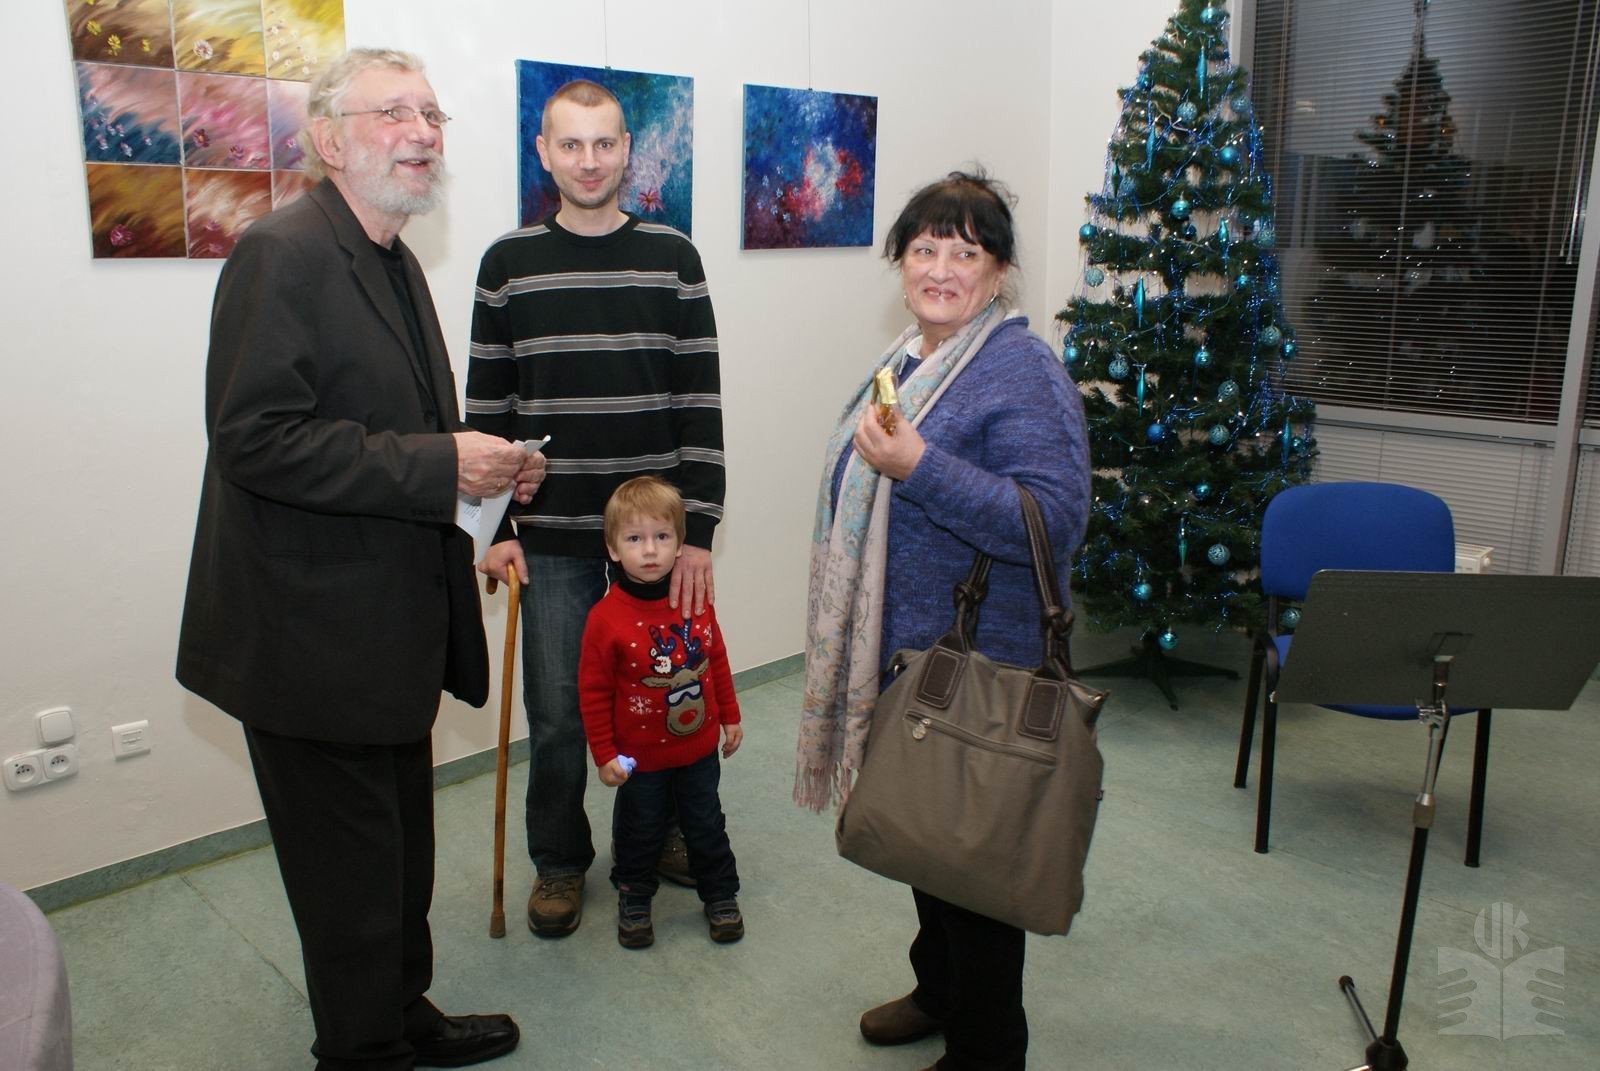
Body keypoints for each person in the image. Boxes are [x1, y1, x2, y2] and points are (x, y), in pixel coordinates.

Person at [176, 48, 537, 1071]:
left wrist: (484, 504)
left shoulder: (393, 256)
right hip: (308, 641)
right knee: (349, 884)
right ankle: (363, 1049)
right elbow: (254, 439)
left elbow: (402, 432)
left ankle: (401, 1012)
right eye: (394, 114)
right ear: (329, 140)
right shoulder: (281, 254)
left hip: (383, 629)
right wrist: (443, 464)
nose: (422, 132)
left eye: (431, 114)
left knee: (398, 857)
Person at [794, 171, 1091, 1071]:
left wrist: (920, 465)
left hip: (982, 661)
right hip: (908, 652)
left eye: (966, 252)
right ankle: (938, 988)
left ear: (999, 271)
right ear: (901, 262)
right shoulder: (913, 358)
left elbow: (1054, 518)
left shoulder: (1020, 369)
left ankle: (988, 1047)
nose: (941, 268)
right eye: (925, 248)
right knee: (927, 835)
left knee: (974, 865)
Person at [465, 79, 725, 937]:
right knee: (556, 716)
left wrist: (699, 532)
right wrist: (496, 527)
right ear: (543, 152)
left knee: (670, 690)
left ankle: (669, 831)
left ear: (627, 151)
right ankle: (560, 860)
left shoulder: (674, 257)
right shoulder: (506, 264)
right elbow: (486, 412)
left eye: (604, 143)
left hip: (656, 539)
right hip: (552, 535)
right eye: (570, 144)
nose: (588, 161)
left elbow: (700, 402)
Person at [577, 477, 745, 949]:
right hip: (639, 760)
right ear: (613, 549)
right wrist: (604, 754)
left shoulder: (694, 602)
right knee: (640, 831)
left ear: (679, 542)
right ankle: (634, 898)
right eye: (634, 538)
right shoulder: (604, 619)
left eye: (662, 536)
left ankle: (721, 895)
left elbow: (715, 659)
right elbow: (592, 692)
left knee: (706, 824)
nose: (650, 550)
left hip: (699, 750)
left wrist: (730, 715)